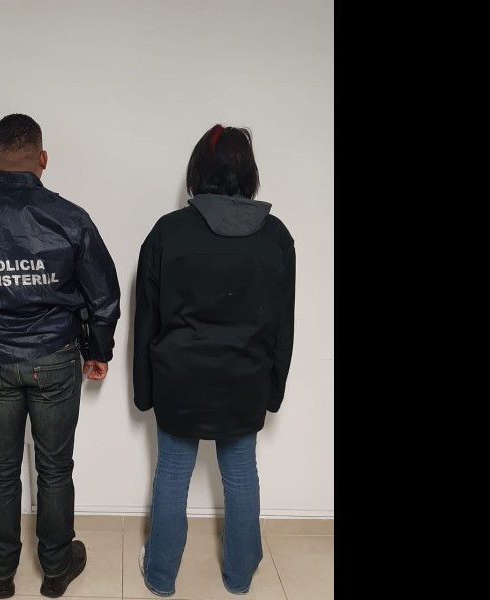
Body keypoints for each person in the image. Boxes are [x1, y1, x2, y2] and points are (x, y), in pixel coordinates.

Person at [0, 113, 121, 599]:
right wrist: (98, 350)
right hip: (55, 358)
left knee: (1, 470)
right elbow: (103, 296)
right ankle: (55, 570)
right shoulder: (71, 218)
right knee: (54, 469)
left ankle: (2, 575)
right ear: (43, 159)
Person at [133, 124, 295, 596]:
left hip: (178, 379)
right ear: (249, 173)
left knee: (172, 473)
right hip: (245, 380)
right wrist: (274, 390)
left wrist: (144, 391)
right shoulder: (276, 237)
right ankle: (239, 577)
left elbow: (147, 319)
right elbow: (283, 323)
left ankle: (161, 577)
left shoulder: (167, 232)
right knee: (241, 475)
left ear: (197, 171)